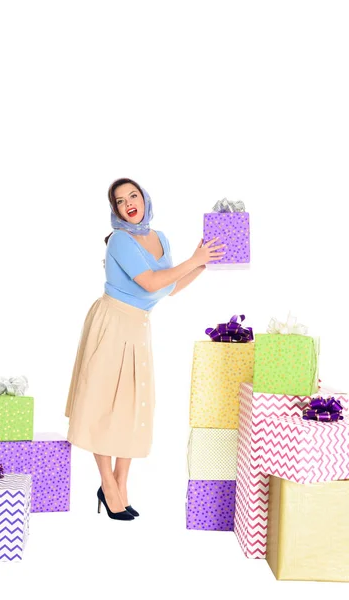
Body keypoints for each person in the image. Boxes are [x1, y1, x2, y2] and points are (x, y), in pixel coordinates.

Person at [64, 177, 225, 521]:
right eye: (121, 201)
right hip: (111, 324)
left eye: (133, 195)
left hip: (138, 326)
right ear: (116, 210)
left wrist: (203, 262)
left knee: (132, 407)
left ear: (145, 198)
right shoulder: (120, 241)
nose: (129, 203)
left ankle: (121, 480)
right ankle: (108, 484)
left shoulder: (160, 238)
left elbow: (168, 288)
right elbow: (150, 282)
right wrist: (193, 258)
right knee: (103, 404)